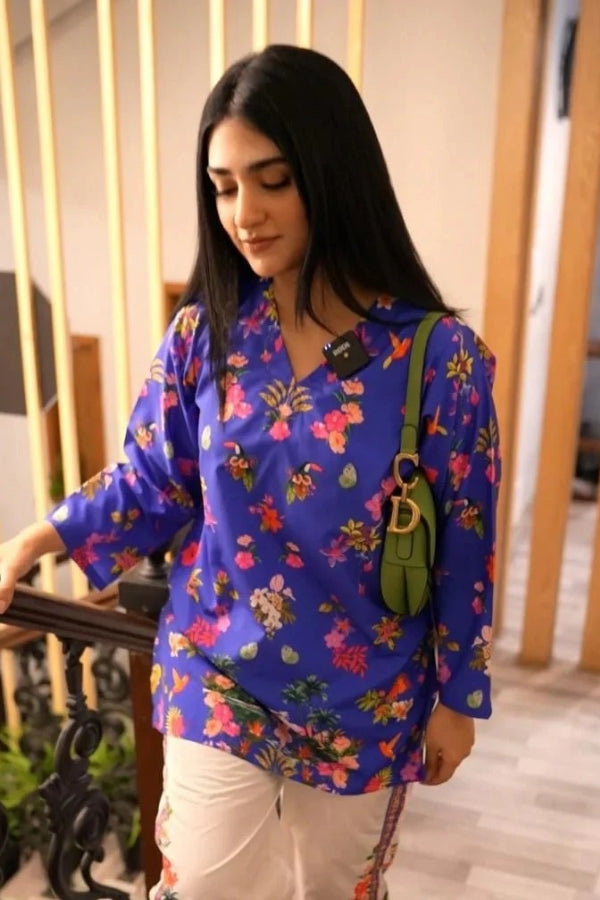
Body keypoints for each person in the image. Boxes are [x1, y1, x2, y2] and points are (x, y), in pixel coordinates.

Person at [0, 45, 500, 900]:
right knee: (199, 889)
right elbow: (154, 481)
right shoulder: (208, 335)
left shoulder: (438, 359)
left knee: (333, 888)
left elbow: (464, 545)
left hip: (367, 694)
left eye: (271, 181)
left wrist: (458, 699)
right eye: (224, 187)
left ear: (332, 175)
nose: (244, 213)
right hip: (219, 670)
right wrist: (30, 538)